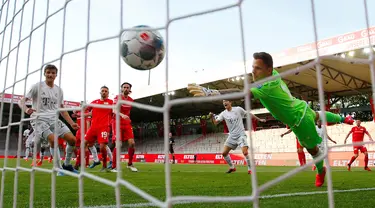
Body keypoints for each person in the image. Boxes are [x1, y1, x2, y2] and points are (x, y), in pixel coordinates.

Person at [187, 52, 354, 187]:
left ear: (268, 70)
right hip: (300, 106)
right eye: (253, 67)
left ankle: (320, 170)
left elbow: (241, 94)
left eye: (258, 68)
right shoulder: (273, 75)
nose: (253, 71)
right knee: (317, 114)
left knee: (313, 150)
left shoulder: (265, 88)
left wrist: (212, 93)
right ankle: (342, 118)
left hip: (299, 120)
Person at [18, 64, 79, 176]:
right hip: (39, 119)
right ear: (44, 73)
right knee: (53, 140)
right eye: (48, 72)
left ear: (56, 75)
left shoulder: (59, 90)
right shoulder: (37, 86)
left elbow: (62, 109)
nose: (50, 74)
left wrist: (71, 123)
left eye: (53, 73)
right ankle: (58, 168)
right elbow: (21, 101)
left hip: (53, 119)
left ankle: (66, 165)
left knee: (72, 140)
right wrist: (27, 110)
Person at [210, 99, 266, 174]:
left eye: (226, 101)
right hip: (232, 136)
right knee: (224, 153)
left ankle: (250, 169)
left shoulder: (238, 109)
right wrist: (212, 117)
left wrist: (259, 119)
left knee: (245, 152)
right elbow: (216, 123)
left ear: (230, 102)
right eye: (223, 102)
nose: (224, 103)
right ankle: (232, 167)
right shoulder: (223, 114)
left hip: (241, 135)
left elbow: (249, 114)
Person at [84, 86, 113, 172]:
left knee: (102, 147)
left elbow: (115, 111)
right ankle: (92, 161)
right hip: (93, 128)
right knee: (84, 144)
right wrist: (80, 114)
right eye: (102, 91)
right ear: (100, 92)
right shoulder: (94, 102)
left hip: (104, 127)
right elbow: (86, 110)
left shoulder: (111, 102)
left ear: (108, 93)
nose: (104, 92)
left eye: (106, 91)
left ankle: (104, 166)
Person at [110, 82, 137, 172]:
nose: (126, 88)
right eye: (124, 87)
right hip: (116, 122)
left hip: (126, 123)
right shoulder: (117, 98)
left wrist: (127, 118)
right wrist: (122, 115)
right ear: (121, 89)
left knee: (132, 143)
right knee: (119, 144)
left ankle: (130, 164)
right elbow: (114, 110)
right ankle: (114, 166)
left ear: (130, 90)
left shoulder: (131, 100)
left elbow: (128, 112)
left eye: (127, 87)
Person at [72, 101, 92, 170]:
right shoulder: (78, 112)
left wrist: (87, 133)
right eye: (80, 104)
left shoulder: (87, 113)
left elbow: (88, 123)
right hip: (78, 132)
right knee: (74, 146)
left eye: (82, 105)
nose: (81, 106)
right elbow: (73, 112)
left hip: (84, 132)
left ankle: (86, 163)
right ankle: (80, 161)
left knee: (85, 147)